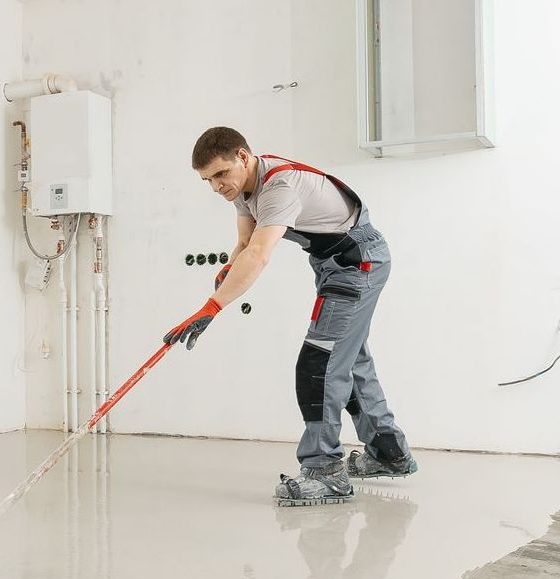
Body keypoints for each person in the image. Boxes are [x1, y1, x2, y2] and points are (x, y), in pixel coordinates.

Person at [163, 126, 417, 507]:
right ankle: (389, 453)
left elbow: (259, 255)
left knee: (320, 363)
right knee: (349, 361)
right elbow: (245, 246)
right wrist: (226, 272)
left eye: (220, 174)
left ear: (243, 157)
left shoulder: (279, 187)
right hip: (337, 266)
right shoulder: (243, 190)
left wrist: (211, 307)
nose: (216, 186)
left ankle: (325, 472)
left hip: (357, 264)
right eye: (207, 180)